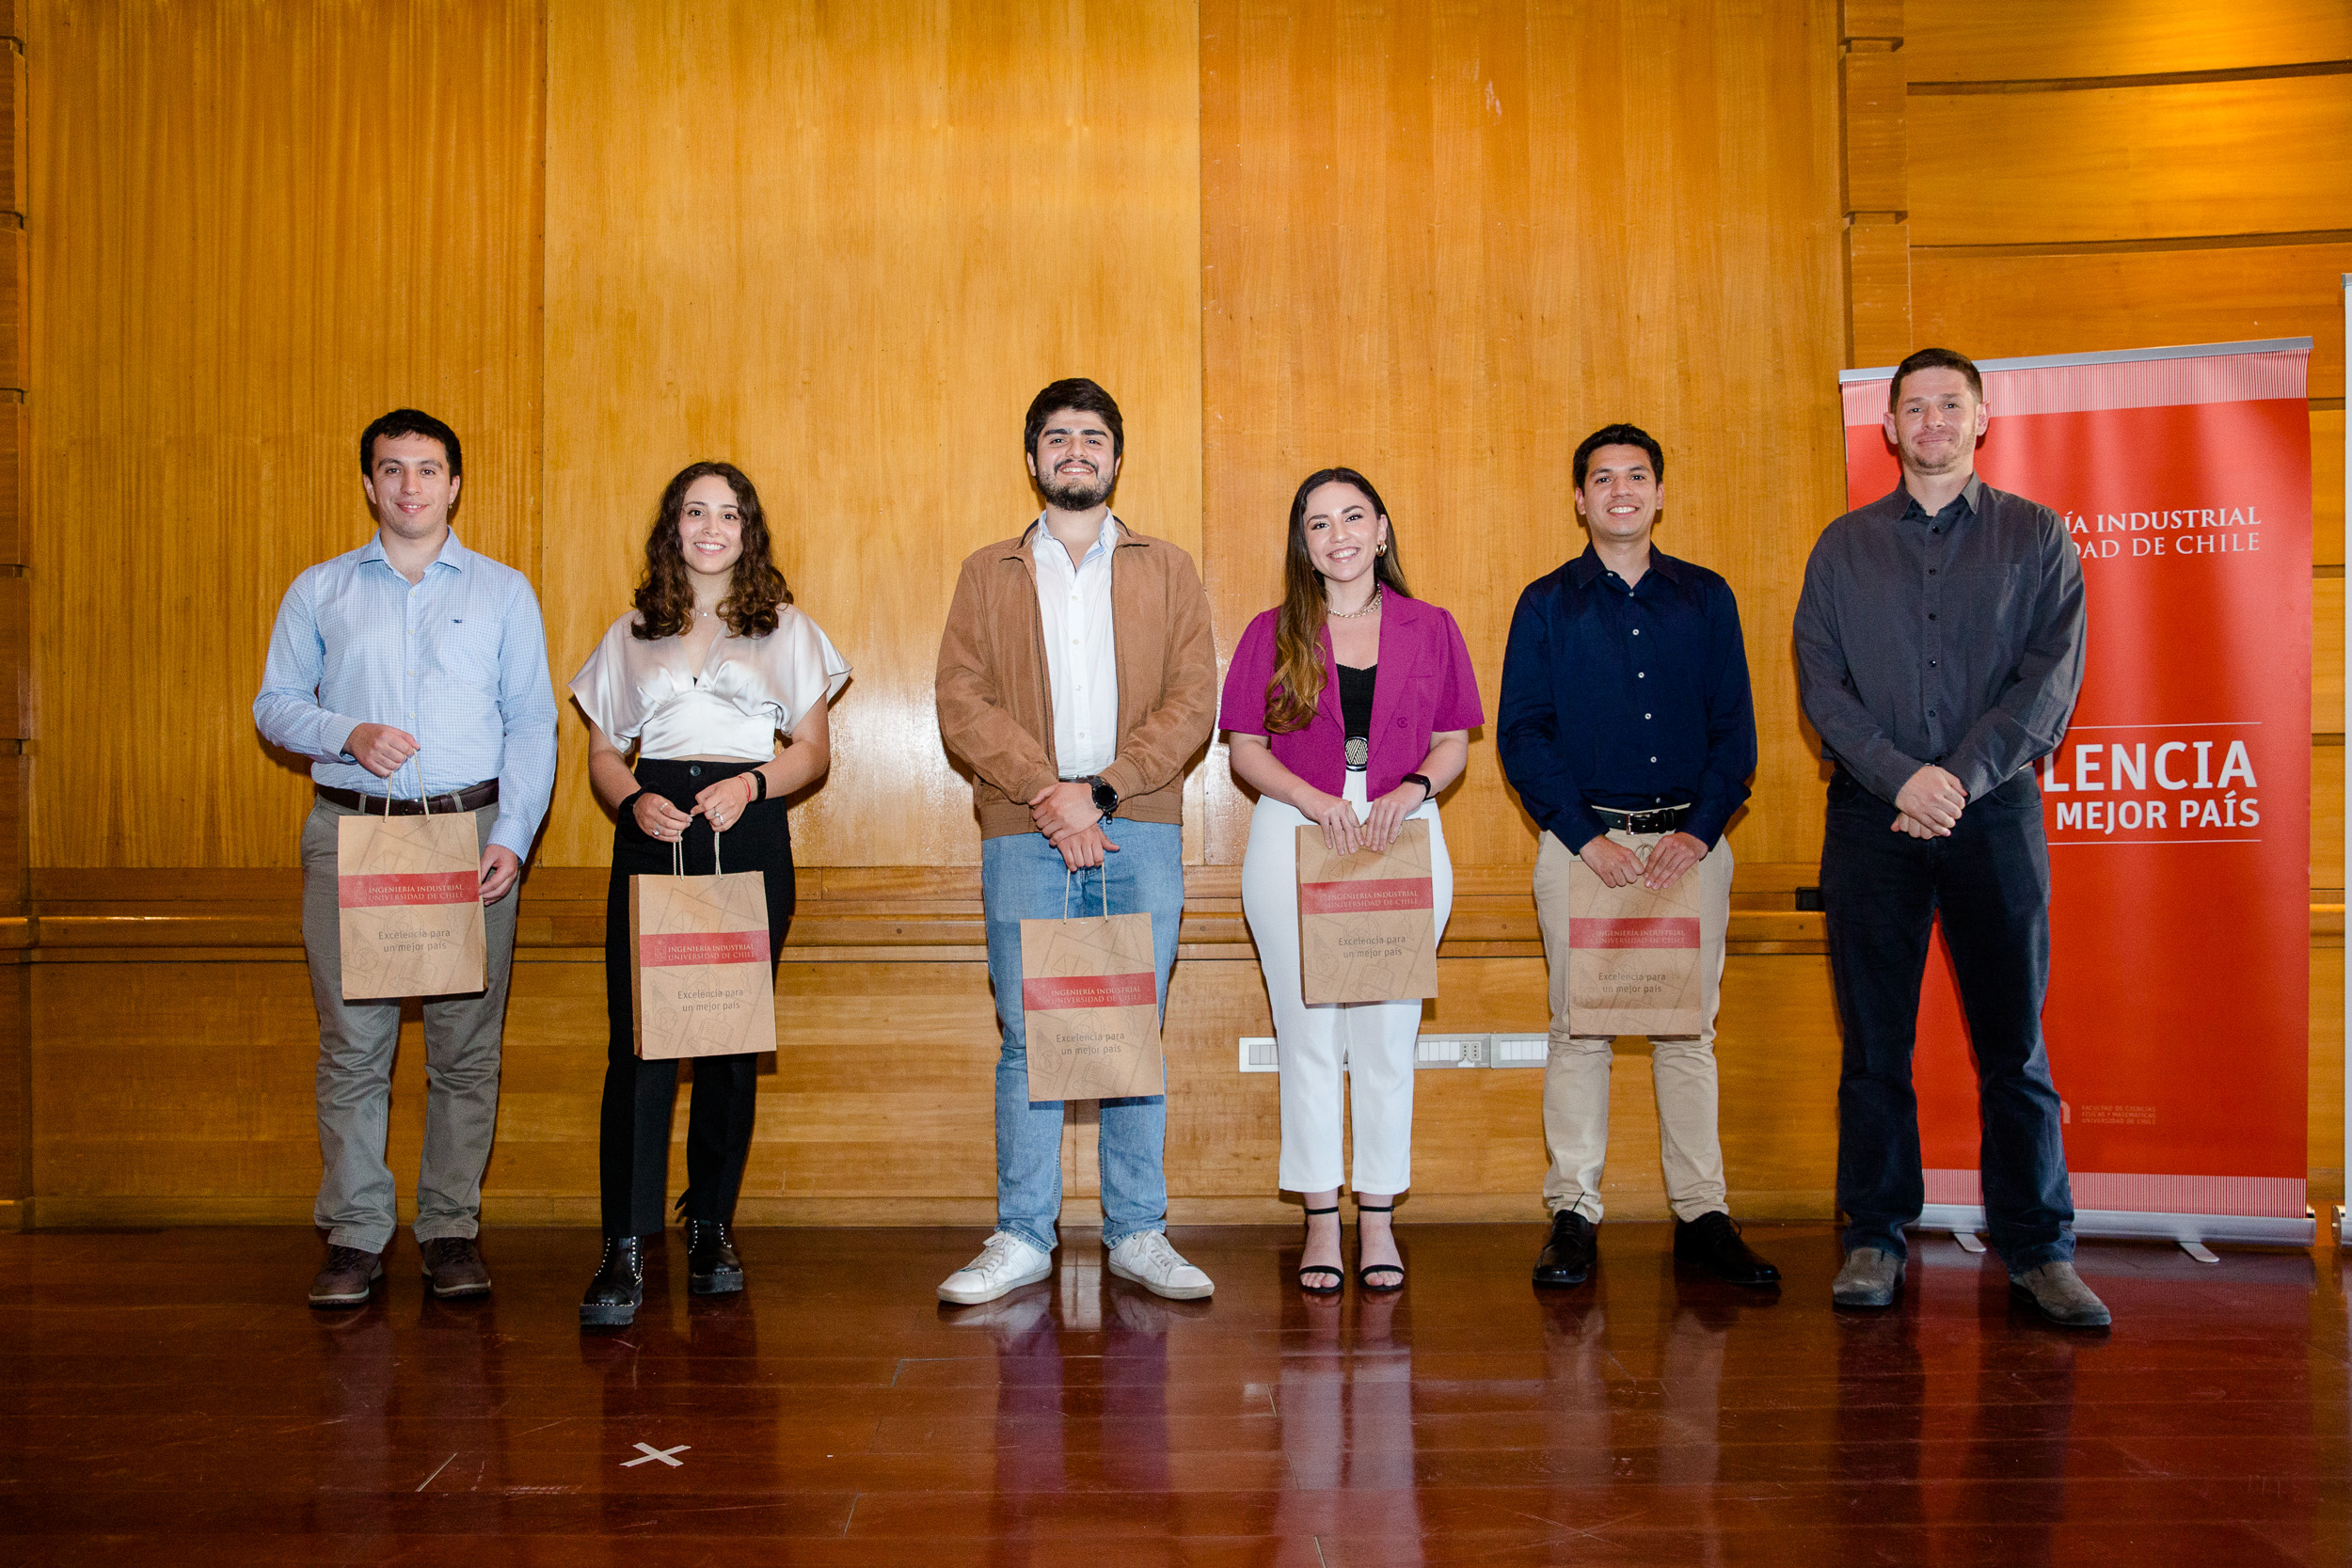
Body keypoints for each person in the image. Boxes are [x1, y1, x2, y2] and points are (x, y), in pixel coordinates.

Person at [1794, 347, 2106, 1327]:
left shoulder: (2037, 536)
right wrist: (1903, 777)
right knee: (1874, 1044)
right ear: (1888, 427)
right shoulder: (1841, 548)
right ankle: (1875, 1235)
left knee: (2014, 1044)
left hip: (1995, 814)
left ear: (1982, 419)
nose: (1932, 420)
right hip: (1869, 817)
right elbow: (1821, 685)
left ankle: (2039, 1248)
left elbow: (2049, 681)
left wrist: (1955, 781)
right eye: (1914, 406)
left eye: (1949, 404)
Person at [254, 408, 558, 1308]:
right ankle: (354, 1235)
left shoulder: (505, 592)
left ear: (454, 484)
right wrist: (346, 731)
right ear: (369, 484)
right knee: (354, 1048)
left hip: (469, 838)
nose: (410, 485)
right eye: (392, 469)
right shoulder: (321, 589)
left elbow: (531, 722)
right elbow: (275, 704)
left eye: (428, 469)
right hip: (355, 836)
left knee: (466, 1050)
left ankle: (450, 1229)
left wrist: (512, 836)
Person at [933, 377, 1218, 1305]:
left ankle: (1138, 1231)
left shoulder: (1167, 567)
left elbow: (1194, 702)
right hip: (1026, 830)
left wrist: (1100, 791)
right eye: (1057, 437)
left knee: (1131, 1026)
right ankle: (1022, 1234)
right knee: (1029, 1034)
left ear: (1116, 457)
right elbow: (961, 700)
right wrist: (1048, 794)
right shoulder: (988, 571)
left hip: (1139, 825)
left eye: (1092, 436)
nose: (1075, 451)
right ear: (1033, 458)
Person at [1498, 422, 1779, 1291]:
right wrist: (1589, 838)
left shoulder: (1706, 597)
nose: (1620, 490)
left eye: (1636, 476)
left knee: (1687, 1032)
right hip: (1585, 849)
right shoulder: (1546, 604)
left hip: (1691, 849)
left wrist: (1699, 831)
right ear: (1579, 499)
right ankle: (1573, 1214)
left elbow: (1735, 731)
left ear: (1659, 494)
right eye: (1602, 478)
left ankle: (1702, 1214)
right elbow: (1523, 733)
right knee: (1578, 1029)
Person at [568, 461, 850, 1328]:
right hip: (653, 830)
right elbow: (603, 753)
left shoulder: (788, 627)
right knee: (641, 1044)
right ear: (674, 527)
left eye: (729, 514)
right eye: (696, 512)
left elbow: (813, 751)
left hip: (746, 828)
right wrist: (630, 799)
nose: (712, 528)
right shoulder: (630, 632)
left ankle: (711, 1226)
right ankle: (624, 1243)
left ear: (748, 529)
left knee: (729, 1039)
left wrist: (756, 783)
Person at [1218, 468, 1480, 1293]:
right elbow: (1245, 748)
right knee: (1306, 1038)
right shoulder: (1271, 631)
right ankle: (1320, 1220)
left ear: (1382, 529)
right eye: (1320, 522)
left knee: (1387, 1040)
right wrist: (1314, 798)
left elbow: (1454, 740)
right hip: (1297, 831)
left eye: (1354, 516)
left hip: (1402, 830)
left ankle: (1378, 1217)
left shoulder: (1432, 626)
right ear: (1304, 543)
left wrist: (1412, 790)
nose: (1339, 535)